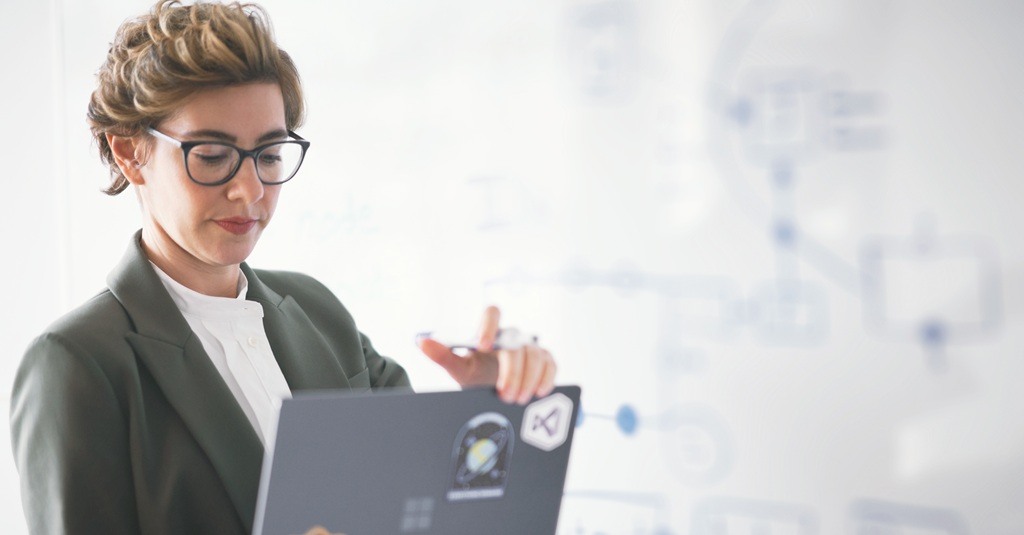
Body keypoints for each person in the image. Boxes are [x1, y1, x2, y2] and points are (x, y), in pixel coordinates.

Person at [8, 1, 557, 534]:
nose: (249, 189)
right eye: (212, 155)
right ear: (130, 153)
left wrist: (488, 406)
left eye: (269, 155)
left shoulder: (319, 313)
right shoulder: (78, 365)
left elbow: (425, 503)